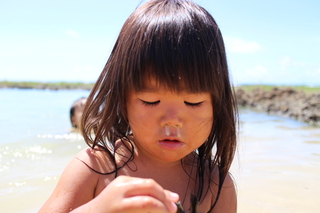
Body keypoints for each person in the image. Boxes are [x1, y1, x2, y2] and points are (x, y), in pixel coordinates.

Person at [39, 0, 238, 212]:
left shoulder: (215, 185)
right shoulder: (95, 168)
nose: (172, 119)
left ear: (217, 106)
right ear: (122, 99)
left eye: (193, 102)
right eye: (150, 101)